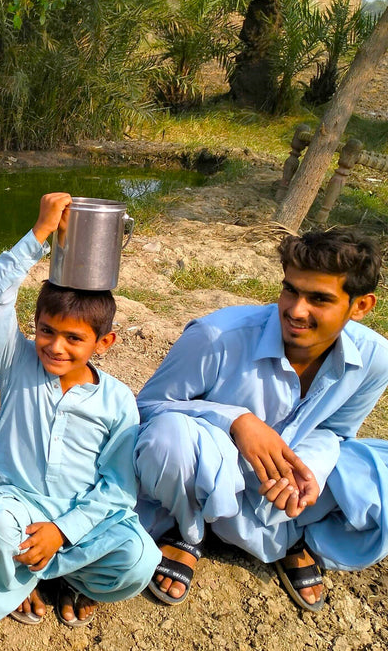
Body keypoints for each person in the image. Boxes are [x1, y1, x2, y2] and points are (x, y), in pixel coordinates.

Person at [135, 228, 388, 612]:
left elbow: (337, 432)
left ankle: (293, 533)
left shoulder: (374, 359)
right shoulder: (217, 336)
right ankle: (187, 529)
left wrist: (308, 474)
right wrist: (237, 421)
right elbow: (148, 408)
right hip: (212, 470)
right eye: (291, 290)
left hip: (281, 482)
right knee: (168, 439)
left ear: (361, 306)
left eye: (319, 298)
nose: (296, 310)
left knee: (376, 474)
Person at [0, 192, 160, 628]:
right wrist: (40, 233)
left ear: (103, 343)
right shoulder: (18, 364)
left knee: (139, 558)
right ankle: (15, 585)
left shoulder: (117, 400)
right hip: (17, 510)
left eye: (73, 338)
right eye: (46, 330)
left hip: (79, 521)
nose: (55, 346)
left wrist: (63, 530)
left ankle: (62, 580)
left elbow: (117, 488)